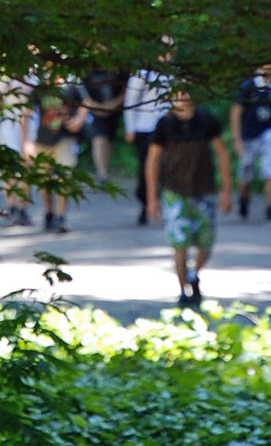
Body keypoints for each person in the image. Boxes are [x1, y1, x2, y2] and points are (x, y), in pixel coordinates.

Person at [145, 88, 232, 308]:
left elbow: (222, 153)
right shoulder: (165, 124)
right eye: (178, 93)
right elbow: (153, 160)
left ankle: (193, 274)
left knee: (206, 243)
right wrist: (152, 197)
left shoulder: (206, 120)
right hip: (175, 191)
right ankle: (183, 289)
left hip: (205, 190)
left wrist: (227, 190)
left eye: (187, 92)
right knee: (179, 245)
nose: (183, 97)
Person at [31, 78, 88, 231]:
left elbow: (86, 103)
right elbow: (28, 112)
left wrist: (79, 120)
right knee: (44, 179)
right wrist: (26, 141)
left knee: (64, 176)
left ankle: (62, 217)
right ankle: (49, 212)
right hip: (42, 139)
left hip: (65, 138)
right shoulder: (40, 86)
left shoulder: (73, 84)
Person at [233, 67, 271, 221]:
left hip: (270, 133)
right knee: (246, 175)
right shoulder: (249, 87)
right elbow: (236, 111)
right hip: (249, 135)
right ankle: (244, 199)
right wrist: (237, 139)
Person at [0, 72, 36, 226]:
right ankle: (12, 207)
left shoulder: (36, 77)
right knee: (9, 168)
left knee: (27, 167)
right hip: (9, 125)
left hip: (32, 125)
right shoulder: (5, 78)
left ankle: (23, 209)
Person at [124, 65, 171, 225]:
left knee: (167, 166)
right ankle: (146, 202)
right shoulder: (143, 74)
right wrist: (130, 127)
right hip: (145, 128)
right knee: (147, 166)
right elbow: (131, 101)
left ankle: (165, 202)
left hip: (168, 127)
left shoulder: (174, 74)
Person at [81, 67, 126, 180]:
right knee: (99, 137)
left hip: (114, 109)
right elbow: (83, 92)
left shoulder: (118, 68)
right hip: (95, 111)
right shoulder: (88, 69)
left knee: (109, 138)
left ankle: (104, 168)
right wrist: (96, 107)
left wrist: (112, 105)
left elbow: (126, 89)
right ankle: (102, 172)